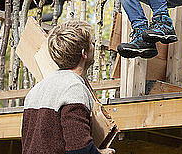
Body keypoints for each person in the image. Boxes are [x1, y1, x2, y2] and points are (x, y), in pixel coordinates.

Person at [22, 20, 115, 154]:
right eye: (91, 44)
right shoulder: (74, 88)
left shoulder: (36, 90)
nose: (94, 47)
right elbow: (79, 150)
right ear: (84, 53)